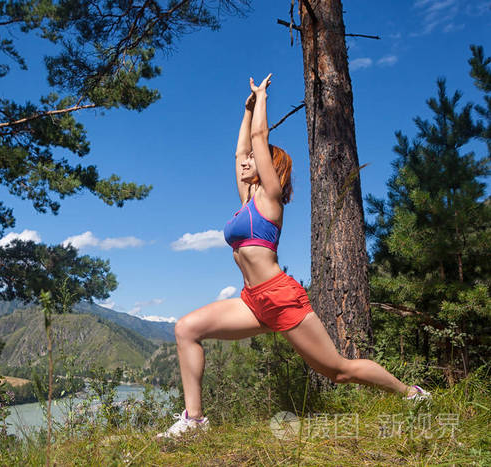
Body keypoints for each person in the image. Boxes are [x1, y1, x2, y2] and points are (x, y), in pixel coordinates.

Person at [157, 73, 430, 439]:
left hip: (281, 298)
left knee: (338, 370)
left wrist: (262, 98)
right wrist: (246, 109)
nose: (245, 163)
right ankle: (194, 422)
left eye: (255, 161)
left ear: (270, 167)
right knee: (186, 329)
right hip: (252, 301)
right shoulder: (246, 202)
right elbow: (241, 151)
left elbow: (258, 139)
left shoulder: (269, 198)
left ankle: (411, 394)